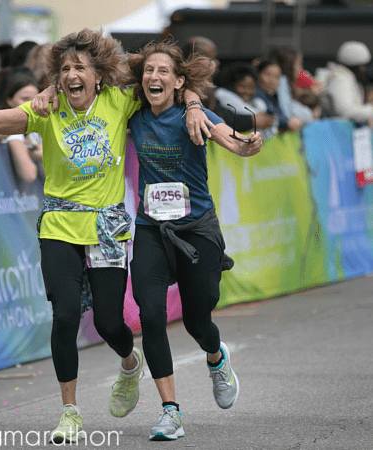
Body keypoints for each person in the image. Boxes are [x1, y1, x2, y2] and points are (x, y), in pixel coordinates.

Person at [0, 28, 209, 444]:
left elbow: (161, 82)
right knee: (63, 316)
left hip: (108, 226)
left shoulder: (120, 101)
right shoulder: (47, 110)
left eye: (81, 67)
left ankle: (129, 361)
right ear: (57, 78)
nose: (72, 74)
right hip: (59, 223)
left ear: (99, 76)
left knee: (110, 321)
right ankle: (70, 413)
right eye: (64, 69)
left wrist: (193, 101)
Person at [125, 41, 262, 440]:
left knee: (198, 320)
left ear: (179, 80)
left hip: (196, 228)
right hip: (152, 227)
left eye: (164, 71)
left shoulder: (194, 114)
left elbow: (234, 142)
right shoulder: (132, 115)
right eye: (149, 70)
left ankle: (217, 359)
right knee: (149, 314)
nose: (154, 77)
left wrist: (248, 144)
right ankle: (170, 412)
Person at [0, 66, 43, 184]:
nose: (31, 105)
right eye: (25, 99)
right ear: (8, 100)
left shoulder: (38, 125)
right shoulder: (8, 127)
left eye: (35, 99)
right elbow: (29, 174)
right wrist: (31, 152)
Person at [213, 62, 277, 139]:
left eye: (251, 87)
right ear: (231, 85)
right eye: (243, 86)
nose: (248, 91)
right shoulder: (221, 100)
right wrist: (252, 121)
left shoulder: (257, 103)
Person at [318, 41, 373, 124]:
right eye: (362, 66)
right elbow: (345, 112)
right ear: (356, 65)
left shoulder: (347, 76)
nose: (363, 69)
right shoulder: (341, 79)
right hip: (338, 132)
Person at [255, 58, 301, 133]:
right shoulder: (255, 97)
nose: (272, 81)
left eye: (276, 77)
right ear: (258, 74)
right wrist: (287, 123)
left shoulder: (274, 97)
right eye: (268, 74)